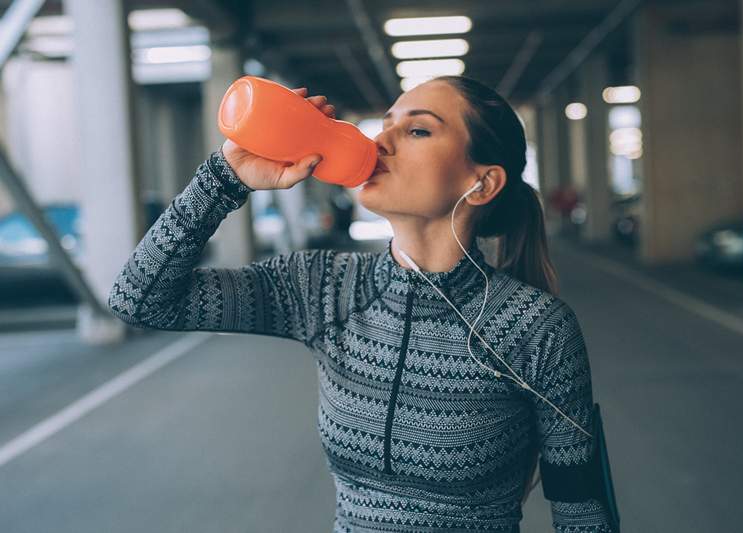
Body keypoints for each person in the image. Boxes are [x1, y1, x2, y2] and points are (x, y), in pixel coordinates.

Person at [107, 76, 615, 532]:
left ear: (481, 183)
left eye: (417, 130)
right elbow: (140, 300)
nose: (379, 141)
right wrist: (224, 177)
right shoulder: (320, 286)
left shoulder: (536, 327)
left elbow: (581, 509)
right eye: (384, 123)